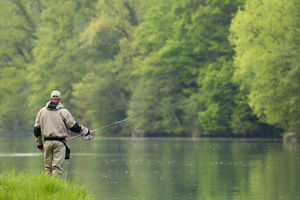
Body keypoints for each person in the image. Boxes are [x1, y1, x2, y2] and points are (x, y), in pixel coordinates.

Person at [33, 90, 95, 177]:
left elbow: (36, 130)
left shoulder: (41, 112)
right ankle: (55, 188)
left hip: (46, 143)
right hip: (59, 143)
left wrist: (39, 144)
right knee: (57, 167)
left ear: (50, 99)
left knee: (48, 168)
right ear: (60, 99)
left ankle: (48, 187)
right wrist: (87, 131)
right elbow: (74, 126)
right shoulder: (64, 112)